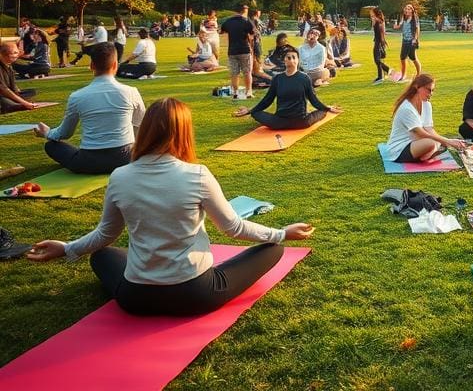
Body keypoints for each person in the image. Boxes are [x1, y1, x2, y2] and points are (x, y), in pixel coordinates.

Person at [27, 98, 314, 315]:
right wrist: (281, 233)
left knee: (101, 255)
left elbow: (105, 234)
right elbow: (233, 228)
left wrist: (66, 248)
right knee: (274, 248)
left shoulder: (120, 176)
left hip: (136, 298)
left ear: (145, 131)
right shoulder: (197, 174)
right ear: (184, 133)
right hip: (196, 294)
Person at [33, 43, 144, 174]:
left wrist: (47, 133)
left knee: (51, 146)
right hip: (126, 159)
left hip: (89, 162)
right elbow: (141, 124)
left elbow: (65, 133)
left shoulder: (77, 96)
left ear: (91, 66)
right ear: (115, 65)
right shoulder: (131, 92)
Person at [234, 46, 342, 129]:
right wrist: (250, 110)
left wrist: (327, 108)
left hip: (301, 121)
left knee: (322, 111)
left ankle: (324, 108)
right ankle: (252, 111)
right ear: (284, 60)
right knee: (255, 113)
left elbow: (313, 99)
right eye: (288, 57)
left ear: (297, 61)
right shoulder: (277, 79)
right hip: (280, 121)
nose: (290, 59)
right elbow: (267, 100)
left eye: (293, 57)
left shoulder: (304, 78)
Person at [385, 74, 467, 162]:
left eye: (432, 91)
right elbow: (421, 133)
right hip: (399, 149)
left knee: (436, 141)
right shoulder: (406, 108)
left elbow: (429, 129)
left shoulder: (427, 105)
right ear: (417, 87)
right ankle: (427, 154)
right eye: (429, 90)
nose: (431, 94)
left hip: (416, 142)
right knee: (432, 143)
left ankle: (427, 154)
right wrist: (448, 141)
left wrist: (444, 141)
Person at [220, 5, 256, 100]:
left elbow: (222, 31)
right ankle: (248, 92)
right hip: (244, 50)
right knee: (247, 72)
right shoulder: (246, 21)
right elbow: (252, 34)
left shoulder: (228, 22)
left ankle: (235, 92)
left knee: (234, 73)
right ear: (244, 11)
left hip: (232, 51)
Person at [0, 43, 40, 113]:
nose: (17, 55)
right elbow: (4, 89)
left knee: (32, 91)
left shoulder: (9, 66)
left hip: (8, 93)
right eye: (14, 53)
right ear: (4, 54)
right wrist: (25, 103)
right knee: (8, 102)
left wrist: (18, 94)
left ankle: (15, 103)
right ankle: (14, 105)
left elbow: (14, 87)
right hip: (2, 95)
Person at [394, 3, 422, 80]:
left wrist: (415, 39)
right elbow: (399, 26)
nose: (407, 10)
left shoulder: (414, 18)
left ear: (412, 11)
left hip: (411, 41)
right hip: (404, 41)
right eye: (406, 8)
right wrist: (396, 26)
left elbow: (417, 29)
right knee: (402, 58)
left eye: (409, 9)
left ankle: (418, 74)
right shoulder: (404, 17)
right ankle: (403, 76)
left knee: (413, 58)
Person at [371, 7, 393, 84]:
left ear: (375, 13)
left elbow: (381, 33)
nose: (370, 13)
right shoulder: (381, 21)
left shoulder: (377, 20)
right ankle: (380, 76)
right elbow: (383, 32)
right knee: (378, 60)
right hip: (378, 41)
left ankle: (387, 69)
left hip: (378, 42)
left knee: (377, 60)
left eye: (372, 12)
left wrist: (381, 42)